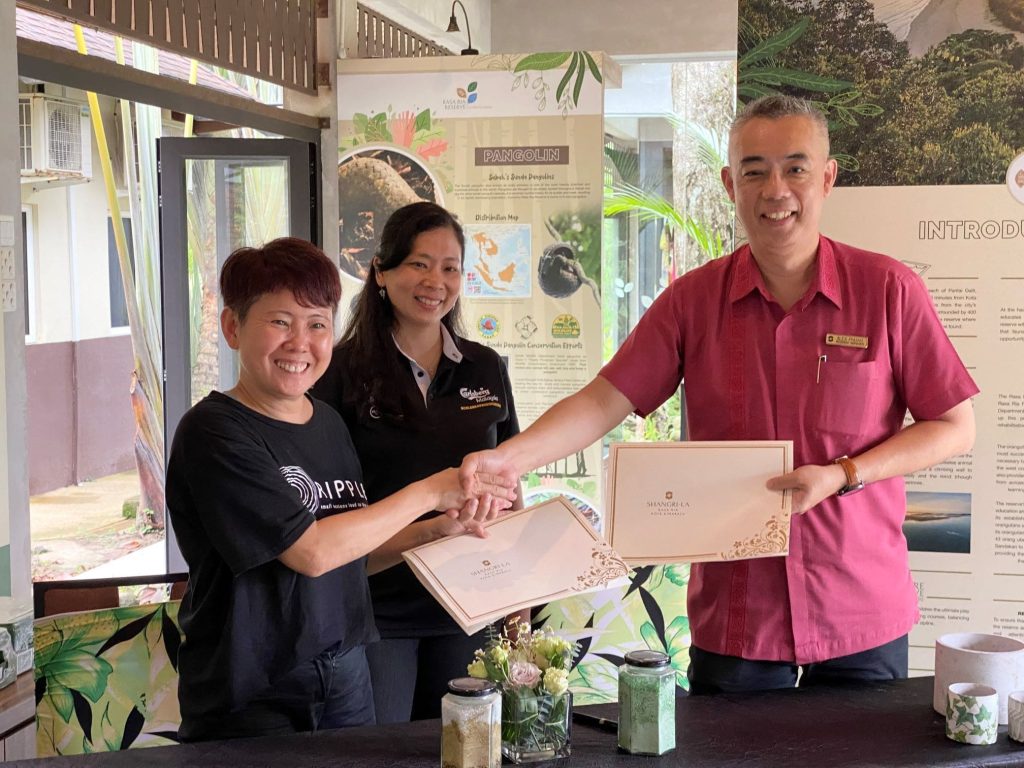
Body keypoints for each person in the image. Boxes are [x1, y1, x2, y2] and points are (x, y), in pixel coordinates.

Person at [459, 95, 978, 693]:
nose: (775, 189)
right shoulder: (693, 301)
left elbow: (954, 425)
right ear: (731, 183)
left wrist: (843, 473)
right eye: (754, 170)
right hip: (738, 615)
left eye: (796, 168)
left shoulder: (888, 289)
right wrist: (509, 458)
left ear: (828, 177)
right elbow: (607, 398)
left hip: (858, 606)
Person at [166, 237, 513, 742]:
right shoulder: (213, 431)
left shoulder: (326, 422)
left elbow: (354, 555)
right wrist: (431, 491)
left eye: (317, 324)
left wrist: (439, 530)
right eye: (280, 322)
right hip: (255, 685)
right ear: (232, 327)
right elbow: (311, 552)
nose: (299, 343)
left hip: (345, 672)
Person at [312, 201, 522, 722]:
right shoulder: (338, 372)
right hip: (379, 607)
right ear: (381, 272)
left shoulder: (486, 366)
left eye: (450, 267)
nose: (436, 281)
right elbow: (323, 505)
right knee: (385, 754)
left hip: (471, 602)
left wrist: (519, 599)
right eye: (419, 264)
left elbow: (512, 482)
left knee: (466, 748)